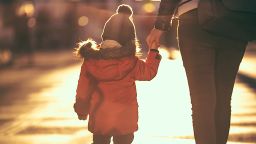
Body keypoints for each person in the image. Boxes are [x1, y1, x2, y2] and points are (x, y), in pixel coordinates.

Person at [146, 0, 248, 144]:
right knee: (223, 100)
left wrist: (160, 25)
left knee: (203, 101)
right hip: (233, 19)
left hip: (195, 17)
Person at [73, 4, 161, 144]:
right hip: (125, 121)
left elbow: (82, 89)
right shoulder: (130, 63)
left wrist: (81, 109)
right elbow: (149, 72)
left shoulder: (91, 61)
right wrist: (154, 52)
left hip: (100, 118)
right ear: (129, 40)